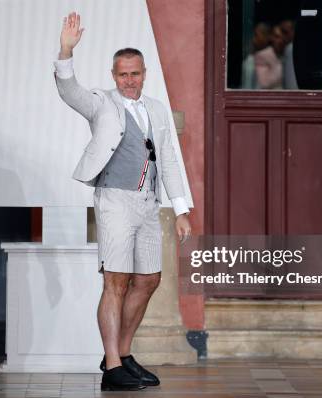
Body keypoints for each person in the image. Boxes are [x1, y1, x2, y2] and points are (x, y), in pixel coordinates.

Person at [54, 12, 192, 391]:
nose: (129, 80)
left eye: (135, 73)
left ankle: (123, 353)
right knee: (115, 280)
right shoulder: (102, 103)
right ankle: (112, 366)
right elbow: (69, 90)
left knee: (148, 279)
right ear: (114, 76)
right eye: (123, 75)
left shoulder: (157, 110)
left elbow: (168, 159)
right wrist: (66, 50)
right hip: (114, 199)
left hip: (149, 203)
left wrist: (181, 210)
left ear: (144, 73)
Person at [255, 24, 286, 89]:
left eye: (282, 37)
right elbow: (263, 83)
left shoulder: (287, 54)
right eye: (277, 37)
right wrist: (283, 67)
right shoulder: (262, 55)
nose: (280, 40)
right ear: (271, 38)